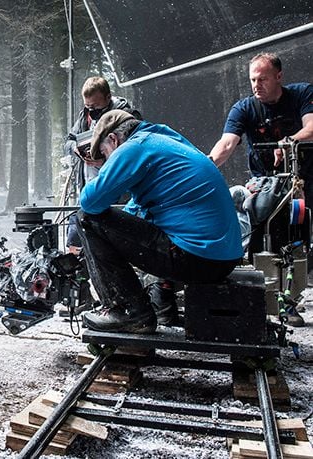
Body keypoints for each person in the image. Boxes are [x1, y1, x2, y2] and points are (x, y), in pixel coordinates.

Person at [76, 110, 243, 333]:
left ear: (114, 139)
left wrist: (105, 170)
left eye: (105, 153)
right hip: (222, 258)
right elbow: (136, 210)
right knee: (120, 224)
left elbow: (90, 202)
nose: (107, 160)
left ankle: (129, 313)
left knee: (87, 219)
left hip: (197, 258)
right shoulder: (163, 139)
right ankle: (155, 307)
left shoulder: (134, 147)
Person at [208, 52, 312, 326]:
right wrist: (205, 166)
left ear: (279, 76)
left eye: (263, 79)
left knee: (297, 243)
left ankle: (289, 300)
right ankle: (263, 301)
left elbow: (312, 127)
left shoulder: (302, 94)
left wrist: (288, 142)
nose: (256, 85)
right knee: (260, 241)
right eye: (253, 80)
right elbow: (227, 144)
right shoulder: (244, 108)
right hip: (264, 185)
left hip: (302, 182)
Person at [64, 76, 140, 252]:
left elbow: (133, 155)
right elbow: (68, 141)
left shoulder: (127, 118)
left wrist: (105, 160)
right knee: (76, 237)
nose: (92, 111)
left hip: (117, 191)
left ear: (108, 97)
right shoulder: (84, 117)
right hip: (89, 185)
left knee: (113, 241)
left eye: (96, 107)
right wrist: (76, 148)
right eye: (88, 107)